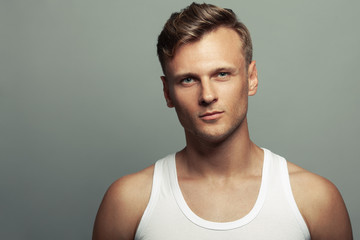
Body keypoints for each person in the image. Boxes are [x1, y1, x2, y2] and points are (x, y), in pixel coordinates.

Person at [92, 3, 353, 240]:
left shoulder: (315, 200)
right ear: (167, 92)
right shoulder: (128, 202)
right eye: (188, 80)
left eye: (222, 74)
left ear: (251, 78)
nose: (207, 95)